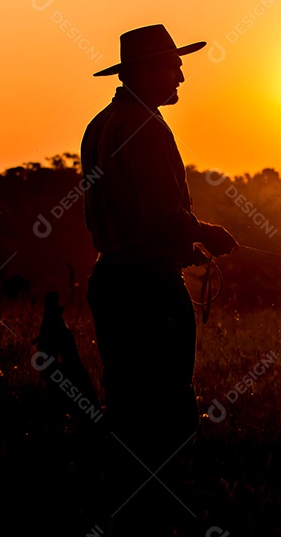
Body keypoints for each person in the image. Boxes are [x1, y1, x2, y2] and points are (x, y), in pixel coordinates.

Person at [82, 24, 237, 469]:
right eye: (174, 66)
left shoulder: (100, 124)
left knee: (126, 400)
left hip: (110, 280)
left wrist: (182, 247)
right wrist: (205, 232)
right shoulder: (146, 127)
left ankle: (128, 496)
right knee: (168, 406)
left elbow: (123, 211)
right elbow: (164, 216)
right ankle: (163, 500)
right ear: (147, 70)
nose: (181, 77)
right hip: (150, 290)